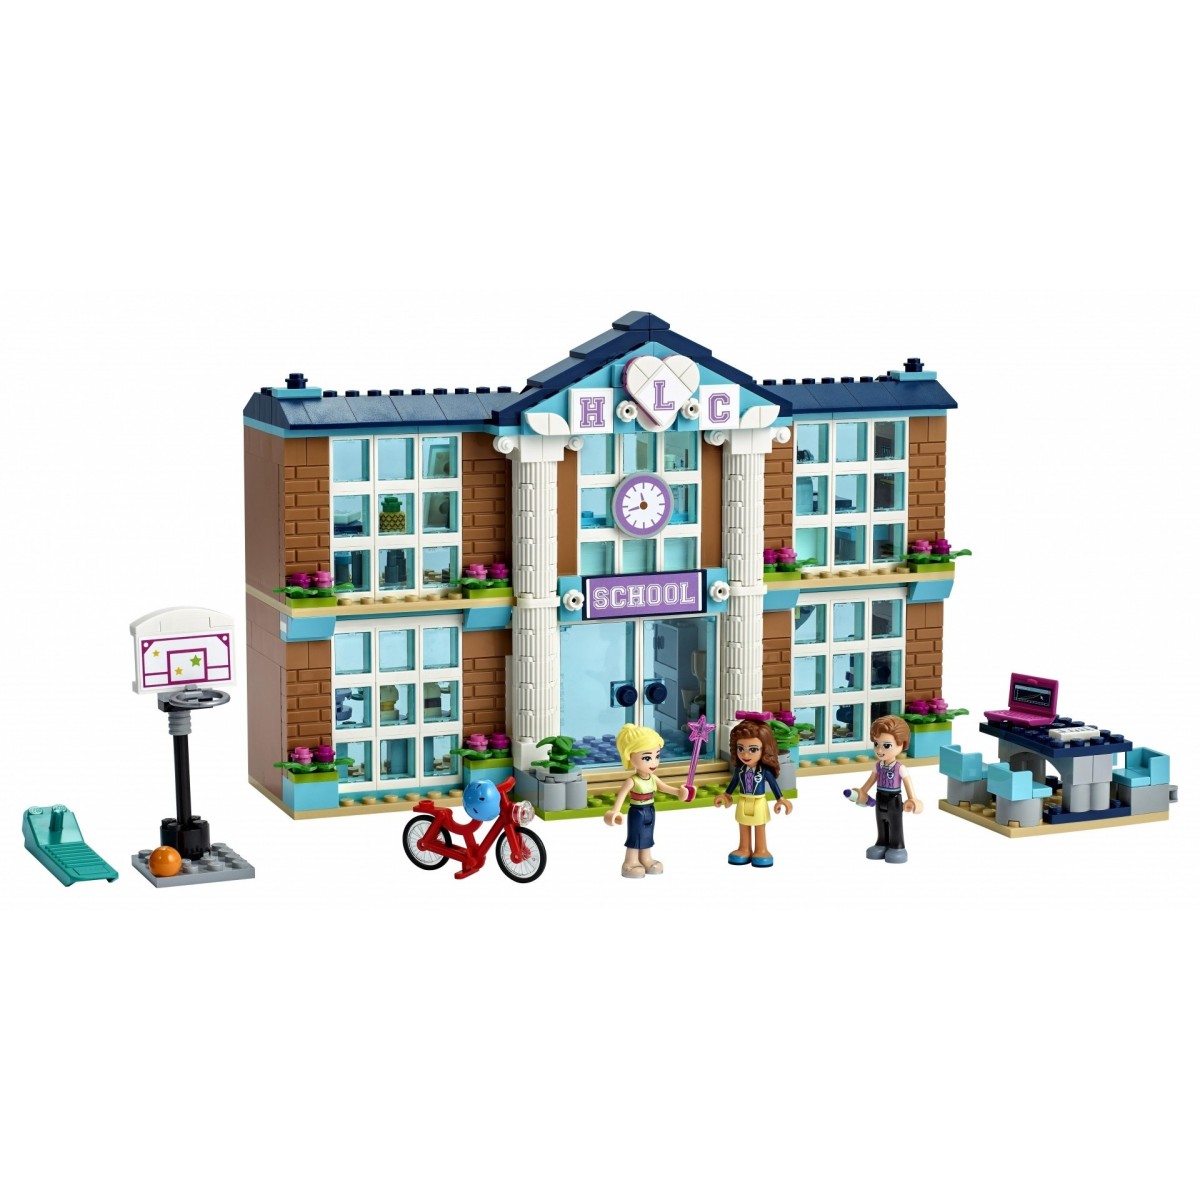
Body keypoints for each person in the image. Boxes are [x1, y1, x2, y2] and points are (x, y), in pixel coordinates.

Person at [604, 723, 692, 879]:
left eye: (657, 756)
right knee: (635, 837)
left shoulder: (653, 778)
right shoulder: (632, 781)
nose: (654, 762)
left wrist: (679, 792)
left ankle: (646, 859)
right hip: (637, 812)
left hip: (650, 810)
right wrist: (615, 811)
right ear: (630, 756)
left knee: (647, 836)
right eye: (647, 758)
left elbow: (664, 787)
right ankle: (630, 862)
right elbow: (622, 796)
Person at [714, 718, 792, 867]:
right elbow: (733, 783)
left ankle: (761, 849)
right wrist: (726, 795)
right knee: (743, 824)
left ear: (765, 749)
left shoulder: (764, 771)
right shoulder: (740, 770)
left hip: (758, 801)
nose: (745, 754)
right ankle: (744, 848)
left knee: (759, 825)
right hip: (743, 800)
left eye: (753, 749)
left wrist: (780, 799)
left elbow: (774, 785)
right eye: (740, 748)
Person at [854, 715, 923, 863]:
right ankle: (882, 843)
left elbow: (908, 784)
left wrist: (912, 799)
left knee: (895, 824)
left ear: (902, 745)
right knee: (881, 822)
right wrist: (862, 792)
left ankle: (898, 846)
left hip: (894, 800)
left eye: (886, 745)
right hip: (880, 797)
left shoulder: (900, 768)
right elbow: (870, 781)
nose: (879, 750)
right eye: (876, 744)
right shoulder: (878, 766)